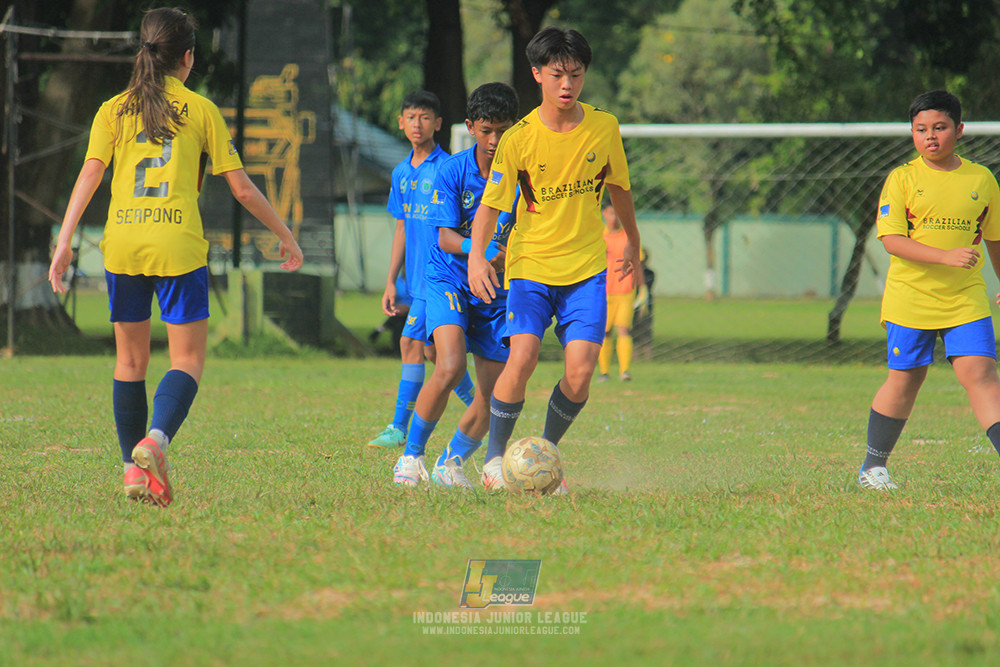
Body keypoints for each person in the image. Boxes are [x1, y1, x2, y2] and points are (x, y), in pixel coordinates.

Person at [47, 7, 303, 506]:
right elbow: (243, 189)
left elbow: (89, 175)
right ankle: (155, 440)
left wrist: (64, 239)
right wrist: (285, 234)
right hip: (178, 245)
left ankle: (131, 472)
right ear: (187, 57)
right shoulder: (201, 109)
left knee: (130, 361)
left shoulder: (112, 109)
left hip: (121, 244)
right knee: (186, 359)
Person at [468, 27, 640, 491]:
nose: (567, 84)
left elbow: (620, 188)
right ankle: (495, 460)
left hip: (586, 268)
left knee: (581, 374)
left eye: (577, 74)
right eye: (558, 74)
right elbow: (491, 204)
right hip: (531, 267)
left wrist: (634, 246)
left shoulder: (603, 127)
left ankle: (542, 457)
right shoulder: (518, 139)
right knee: (521, 358)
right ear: (537, 74)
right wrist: (476, 260)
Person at [858, 89, 1000, 490]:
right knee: (905, 380)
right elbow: (891, 240)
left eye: (939, 127)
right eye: (920, 130)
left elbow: (994, 239)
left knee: (982, 374)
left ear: (960, 129)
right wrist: (945, 257)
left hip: (965, 298)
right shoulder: (902, 179)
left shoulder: (981, 179)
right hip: (911, 298)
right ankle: (873, 468)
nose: (930, 137)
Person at [392, 82, 519, 488]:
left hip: (496, 290)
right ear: (470, 127)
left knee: (493, 394)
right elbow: (445, 238)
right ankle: (410, 459)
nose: (495, 140)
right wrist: (479, 250)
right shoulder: (452, 170)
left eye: (503, 130)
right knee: (447, 366)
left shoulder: (524, 178)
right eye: (486, 130)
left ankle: (453, 462)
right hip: (449, 277)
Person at [366, 91, 475, 449]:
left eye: (425, 117)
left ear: (438, 124)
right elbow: (401, 227)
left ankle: (398, 428)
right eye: (411, 117)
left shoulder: (448, 167)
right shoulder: (400, 172)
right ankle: (481, 407)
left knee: (409, 342)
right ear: (401, 122)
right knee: (433, 355)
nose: (417, 124)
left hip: (441, 273)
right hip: (415, 280)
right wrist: (390, 280)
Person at [597, 202, 637, 382]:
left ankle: (625, 371)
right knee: (604, 332)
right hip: (604, 291)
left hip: (625, 290)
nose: (615, 218)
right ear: (604, 213)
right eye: (612, 213)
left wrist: (642, 287)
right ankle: (604, 372)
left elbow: (637, 262)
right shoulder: (598, 236)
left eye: (618, 214)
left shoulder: (628, 236)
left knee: (623, 329)